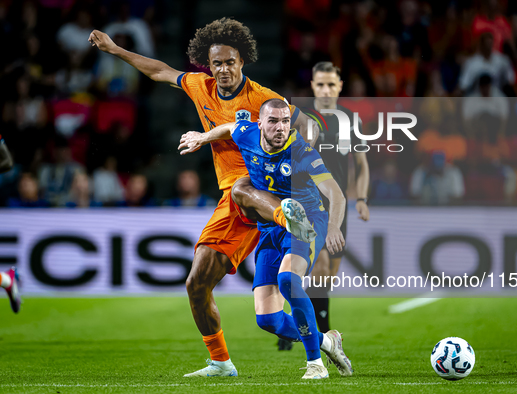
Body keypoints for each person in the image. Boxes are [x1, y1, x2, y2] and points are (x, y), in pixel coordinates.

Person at [89, 17, 319, 377]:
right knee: (198, 285)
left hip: (266, 190)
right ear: (207, 66)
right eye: (217, 63)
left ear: (242, 61)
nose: (224, 69)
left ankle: (288, 216)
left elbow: (305, 124)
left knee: (244, 188)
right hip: (233, 200)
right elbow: (160, 71)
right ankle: (222, 362)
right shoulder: (200, 86)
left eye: (230, 62)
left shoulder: (263, 98)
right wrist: (115, 50)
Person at [178, 98, 353, 379]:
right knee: (268, 320)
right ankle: (327, 341)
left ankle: (315, 364)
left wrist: (333, 228)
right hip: (270, 226)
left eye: (285, 121)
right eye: (273, 121)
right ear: (260, 123)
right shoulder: (247, 134)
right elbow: (229, 127)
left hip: (306, 222)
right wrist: (203, 137)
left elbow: (336, 194)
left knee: (288, 280)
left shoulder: (302, 152)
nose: (280, 127)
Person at [303, 62, 370, 336]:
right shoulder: (303, 120)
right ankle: (324, 337)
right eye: (320, 84)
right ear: (312, 86)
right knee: (319, 268)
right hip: (309, 204)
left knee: (327, 277)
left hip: (337, 207)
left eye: (331, 84)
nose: (326, 90)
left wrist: (362, 198)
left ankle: (301, 324)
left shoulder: (352, 120)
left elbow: (362, 164)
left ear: (340, 86)